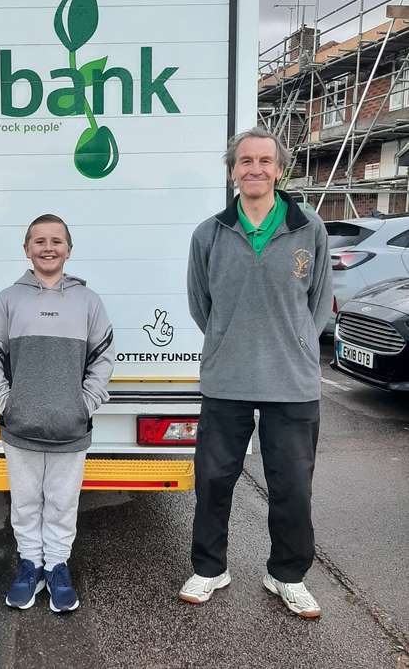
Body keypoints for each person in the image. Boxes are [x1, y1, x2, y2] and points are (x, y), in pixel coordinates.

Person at [180, 126, 332, 619]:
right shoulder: (209, 233)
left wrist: (298, 344)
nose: (255, 169)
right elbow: (201, 305)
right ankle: (209, 569)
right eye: (245, 161)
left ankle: (286, 576)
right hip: (227, 378)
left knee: (291, 485)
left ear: (279, 169)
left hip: (293, 381)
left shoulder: (310, 228)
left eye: (265, 161)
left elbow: (319, 302)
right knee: (214, 479)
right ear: (232, 171)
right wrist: (228, 340)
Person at [0, 214, 114, 613]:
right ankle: (30, 565)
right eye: (39, 240)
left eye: (56, 240)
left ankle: (56, 565)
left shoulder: (88, 301)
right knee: (24, 502)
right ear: (26, 249)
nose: (48, 247)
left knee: (61, 501)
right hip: (20, 429)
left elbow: (103, 359)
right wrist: (7, 402)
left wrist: (83, 403)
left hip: (71, 428)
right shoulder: (8, 299)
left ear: (69, 249)